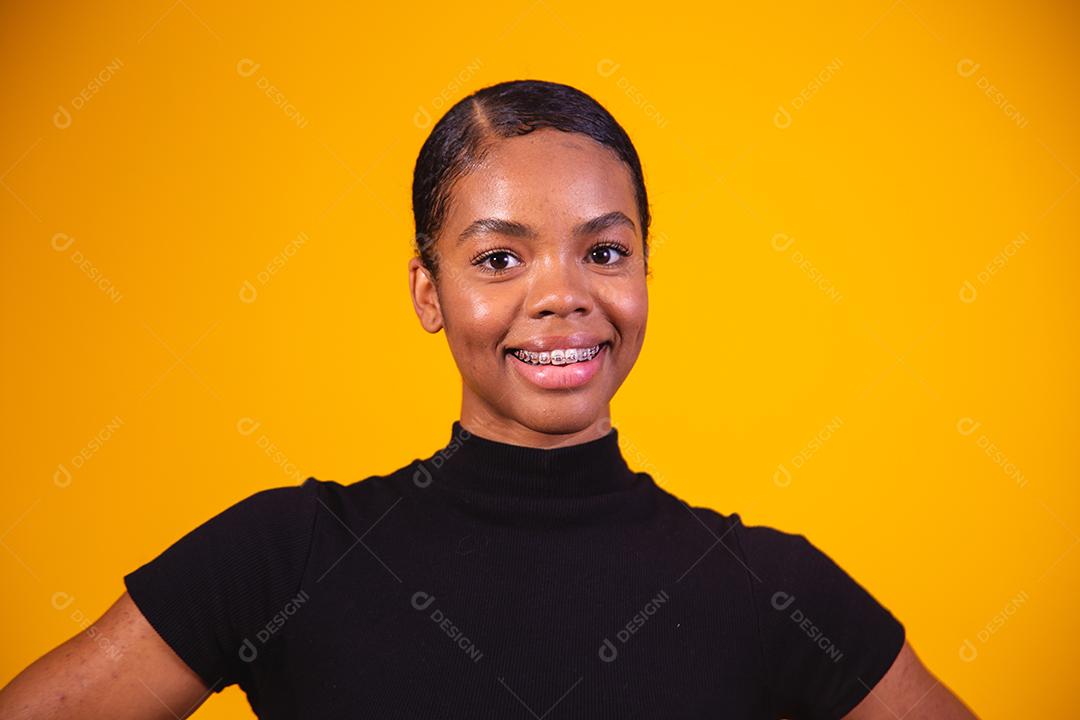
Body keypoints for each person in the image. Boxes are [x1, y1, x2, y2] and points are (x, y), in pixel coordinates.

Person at [0, 79, 979, 719]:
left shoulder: (774, 589)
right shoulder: (285, 556)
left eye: (605, 250)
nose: (562, 294)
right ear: (429, 293)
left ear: (644, 275)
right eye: (501, 256)